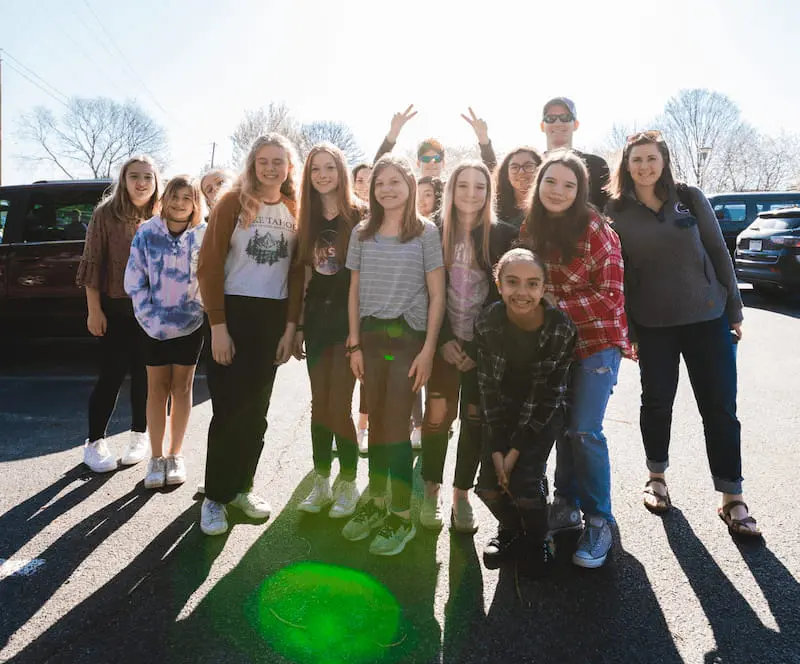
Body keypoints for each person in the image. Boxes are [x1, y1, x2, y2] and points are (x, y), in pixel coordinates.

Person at [605, 131, 759, 537]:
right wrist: (629, 329)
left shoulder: (688, 197)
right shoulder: (615, 211)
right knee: (657, 403)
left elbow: (717, 251)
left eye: (651, 158)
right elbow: (616, 275)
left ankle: (733, 497)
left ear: (663, 160)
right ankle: (656, 477)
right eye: (636, 159)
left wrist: (734, 310)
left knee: (720, 407)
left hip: (707, 318)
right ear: (626, 164)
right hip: (653, 326)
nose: (644, 166)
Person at [520, 150, 630, 569]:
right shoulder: (533, 226)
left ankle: (600, 520)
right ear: (539, 184)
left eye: (569, 184)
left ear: (581, 189)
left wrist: (552, 301)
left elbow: (610, 296)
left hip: (597, 339)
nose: (559, 191)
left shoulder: (598, 230)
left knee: (585, 430)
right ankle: (565, 506)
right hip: (556, 342)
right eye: (551, 182)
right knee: (563, 429)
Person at [197, 134, 303, 536]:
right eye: (264, 161)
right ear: (253, 164)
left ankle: (241, 488)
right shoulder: (232, 203)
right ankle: (214, 498)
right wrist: (218, 327)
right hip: (232, 313)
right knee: (228, 411)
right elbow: (208, 266)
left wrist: (290, 327)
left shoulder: (295, 209)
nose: (271, 168)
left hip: (271, 316)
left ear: (289, 166)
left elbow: (296, 272)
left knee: (256, 413)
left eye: (279, 161)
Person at [343, 154, 445, 556]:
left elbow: (437, 295)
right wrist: (354, 343)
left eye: (395, 182)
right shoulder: (361, 234)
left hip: (408, 338)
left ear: (408, 186)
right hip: (370, 336)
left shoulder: (426, 233)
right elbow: (353, 291)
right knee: (378, 423)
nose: (387, 189)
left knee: (397, 428)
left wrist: (428, 350)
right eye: (380, 183)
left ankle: (401, 515)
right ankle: (378, 501)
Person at [418, 161, 517, 534]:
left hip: (483, 349)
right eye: (463, 186)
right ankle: (431, 488)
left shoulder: (503, 235)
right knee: (437, 417)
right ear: (451, 191)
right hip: (443, 343)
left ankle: (462, 493)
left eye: (480, 187)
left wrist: (478, 347)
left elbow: (504, 298)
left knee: (475, 421)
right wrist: (443, 340)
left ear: (489, 192)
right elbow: (424, 291)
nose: (471, 194)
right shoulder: (433, 233)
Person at [475, 248, 576, 573]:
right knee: (489, 486)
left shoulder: (560, 328)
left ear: (544, 287)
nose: (522, 292)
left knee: (522, 483)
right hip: (501, 413)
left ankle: (538, 539)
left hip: (541, 415)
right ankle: (513, 530)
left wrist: (513, 451)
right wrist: (496, 449)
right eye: (512, 282)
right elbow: (488, 388)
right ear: (499, 284)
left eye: (532, 284)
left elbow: (546, 394)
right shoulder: (488, 321)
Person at [293, 144, 366, 518]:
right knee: (319, 404)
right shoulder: (305, 218)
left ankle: (348, 482)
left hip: (348, 323)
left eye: (329, 168)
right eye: (315, 169)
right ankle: (321, 481)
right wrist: (300, 325)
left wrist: (359, 336)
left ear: (341, 171)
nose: (322, 175)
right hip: (318, 324)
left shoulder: (360, 216)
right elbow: (306, 272)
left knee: (339, 405)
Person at [76, 155, 162, 474]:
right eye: (134, 176)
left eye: (148, 177)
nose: (141, 183)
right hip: (116, 310)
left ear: (156, 182)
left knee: (145, 376)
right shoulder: (106, 214)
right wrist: (94, 310)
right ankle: (95, 441)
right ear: (123, 180)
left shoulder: (163, 214)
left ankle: (140, 435)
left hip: (152, 313)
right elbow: (92, 264)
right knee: (111, 376)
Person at [124, 175, 207, 489]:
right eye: (174, 196)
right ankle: (156, 457)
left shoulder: (203, 235)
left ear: (195, 203)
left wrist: (195, 310)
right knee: (156, 389)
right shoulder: (146, 233)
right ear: (164, 199)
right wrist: (151, 318)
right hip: (152, 326)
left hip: (190, 325)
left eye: (187, 197)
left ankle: (175, 454)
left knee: (182, 389)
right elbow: (134, 281)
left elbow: (210, 278)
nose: (180, 203)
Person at [373, 105, 498, 177]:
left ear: (443, 163)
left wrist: (484, 140)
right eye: (426, 159)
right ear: (418, 163)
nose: (432, 162)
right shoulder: (410, 191)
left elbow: (490, 174)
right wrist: (393, 133)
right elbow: (377, 170)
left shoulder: (452, 190)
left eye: (437, 159)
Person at [540, 97, 609, 209]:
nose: (557, 123)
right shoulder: (532, 165)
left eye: (565, 117)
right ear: (542, 126)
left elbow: (605, 211)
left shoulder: (596, 166)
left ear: (576, 124)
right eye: (550, 118)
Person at [494, 146, 542, 229]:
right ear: (506, 174)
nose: (521, 172)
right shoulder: (495, 209)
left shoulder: (548, 207)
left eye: (528, 166)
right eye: (514, 167)